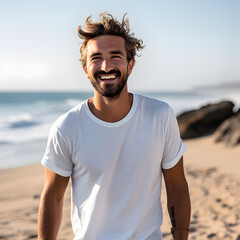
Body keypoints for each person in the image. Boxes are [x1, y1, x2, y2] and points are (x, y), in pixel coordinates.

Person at [38, 12, 191, 240]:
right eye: (96, 58)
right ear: (85, 68)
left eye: (115, 56)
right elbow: (53, 196)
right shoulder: (66, 127)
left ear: (130, 65)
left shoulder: (160, 115)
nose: (106, 66)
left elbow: (176, 185)